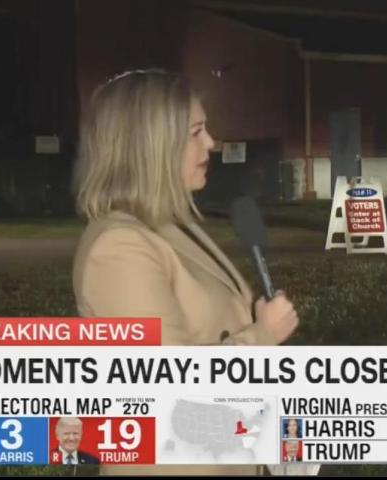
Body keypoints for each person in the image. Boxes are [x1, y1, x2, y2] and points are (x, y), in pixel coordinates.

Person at [72, 69, 299, 475]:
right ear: (152, 144)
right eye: (196, 132)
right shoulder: (118, 249)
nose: (211, 142)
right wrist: (263, 335)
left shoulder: (172, 226)